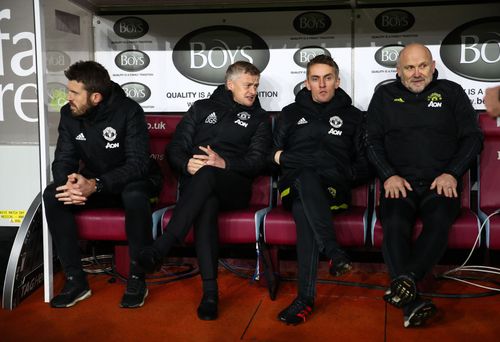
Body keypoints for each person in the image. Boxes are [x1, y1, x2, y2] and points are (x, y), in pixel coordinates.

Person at [138, 61, 272, 320]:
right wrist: (186, 164)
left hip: (234, 187)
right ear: (230, 85)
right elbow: (175, 149)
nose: (253, 91)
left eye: (256, 85)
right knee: (206, 203)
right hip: (198, 185)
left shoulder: (259, 118)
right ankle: (210, 293)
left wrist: (225, 163)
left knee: (210, 173)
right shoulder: (201, 108)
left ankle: (162, 246)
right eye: (248, 85)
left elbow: (257, 161)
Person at [366, 43, 483, 328]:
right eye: (409, 67)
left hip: (439, 183)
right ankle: (412, 298)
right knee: (393, 222)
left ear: (432, 66)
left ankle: (406, 282)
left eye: (422, 66)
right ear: (398, 71)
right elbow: (370, 142)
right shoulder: (384, 96)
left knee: (440, 219)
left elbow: (473, 138)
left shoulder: (452, 93)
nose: (416, 73)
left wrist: (452, 173)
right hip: (399, 184)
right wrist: (388, 175)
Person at [43, 61, 161, 309]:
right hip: (95, 184)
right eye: (68, 91)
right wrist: (70, 183)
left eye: (74, 93)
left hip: (134, 181)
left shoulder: (129, 111)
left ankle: (138, 278)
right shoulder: (69, 113)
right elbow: (63, 158)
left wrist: (96, 184)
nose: (68, 98)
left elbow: (138, 164)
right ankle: (76, 281)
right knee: (54, 195)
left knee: (134, 195)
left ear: (95, 97)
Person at [271, 55, 372, 325]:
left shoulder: (354, 117)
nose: (322, 84)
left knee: (305, 206)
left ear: (337, 81)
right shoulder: (290, 113)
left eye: (328, 78)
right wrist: (285, 159)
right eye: (315, 79)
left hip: (333, 190)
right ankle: (333, 252)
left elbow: (365, 164)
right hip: (294, 186)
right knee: (304, 177)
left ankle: (305, 299)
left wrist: (340, 172)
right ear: (307, 83)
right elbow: (269, 155)